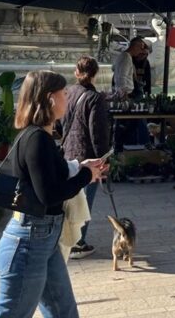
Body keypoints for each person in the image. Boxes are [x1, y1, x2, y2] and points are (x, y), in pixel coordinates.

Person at [0, 70, 107, 318]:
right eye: (64, 93)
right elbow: (49, 193)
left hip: (44, 238)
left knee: (63, 311)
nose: (68, 98)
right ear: (50, 99)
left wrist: (81, 166)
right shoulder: (37, 139)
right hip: (29, 241)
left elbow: (50, 174)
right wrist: (86, 176)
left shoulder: (40, 136)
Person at [60, 57, 111, 261]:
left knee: (71, 199)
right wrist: (103, 158)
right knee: (84, 201)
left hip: (68, 151)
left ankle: (67, 238)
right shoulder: (94, 97)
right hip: (87, 155)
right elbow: (98, 131)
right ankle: (78, 242)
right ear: (96, 74)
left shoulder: (69, 93)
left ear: (76, 72)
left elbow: (60, 122)